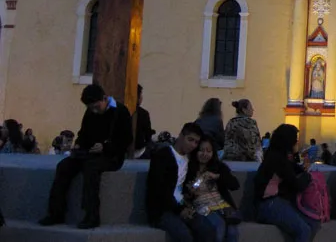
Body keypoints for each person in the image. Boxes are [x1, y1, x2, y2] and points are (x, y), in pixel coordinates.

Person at [39, 84, 133, 229]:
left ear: (104, 99)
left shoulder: (120, 111)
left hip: (111, 156)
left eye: (96, 106)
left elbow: (126, 139)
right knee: (63, 166)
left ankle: (92, 215)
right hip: (89, 153)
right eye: (91, 108)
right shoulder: (90, 113)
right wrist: (78, 145)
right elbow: (83, 133)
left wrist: (105, 147)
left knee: (91, 169)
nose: (95, 110)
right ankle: (56, 213)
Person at [146, 122, 213, 242]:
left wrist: (191, 193)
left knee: (207, 230)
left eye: (196, 142)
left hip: (183, 205)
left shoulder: (191, 160)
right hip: (163, 210)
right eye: (190, 140)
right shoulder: (163, 155)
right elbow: (159, 189)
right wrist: (179, 210)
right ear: (181, 136)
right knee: (184, 236)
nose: (193, 145)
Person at [253, 124, 318, 242]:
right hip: (269, 204)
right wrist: (307, 176)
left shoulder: (276, 155)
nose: (297, 142)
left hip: (277, 203)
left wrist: (302, 169)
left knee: (313, 223)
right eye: (295, 140)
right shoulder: (277, 159)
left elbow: (292, 168)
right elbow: (297, 185)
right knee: (304, 230)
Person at [184, 136, 241, 242]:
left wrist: (217, 177)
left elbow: (235, 185)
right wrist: (191, 193)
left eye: (208, 151)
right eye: (201, 150)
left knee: (233, 232)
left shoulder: (219, 167)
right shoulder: (188, 169)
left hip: (222, 206)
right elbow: (184, 194)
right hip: (202, 208)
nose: (205, 154)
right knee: (218, 226)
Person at [133, 85, 154, 158]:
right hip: (139, 152)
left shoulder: (118, 111)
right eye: (141, 95)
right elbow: (148, 135)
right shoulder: (143, 113)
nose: (142, 98)